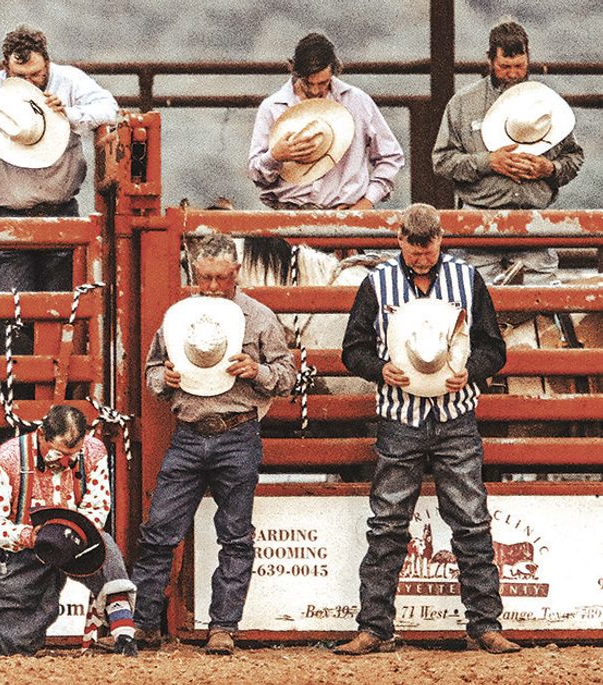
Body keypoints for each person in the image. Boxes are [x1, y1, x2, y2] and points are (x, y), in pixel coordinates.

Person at [335, 203, 520, 655]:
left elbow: (494, 348)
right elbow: (353, 349)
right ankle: (375, 626)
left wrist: (471, 371)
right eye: (414, 250)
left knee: (470, 522)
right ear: (400, 240)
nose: (421, 258)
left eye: (428, 249)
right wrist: (379, 369)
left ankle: (484, 624)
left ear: (439, 239)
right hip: (401, 417)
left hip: (453, 414)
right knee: (388, 524)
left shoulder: (467, 279)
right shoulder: (376, 282)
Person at [131, 233, 296, 654]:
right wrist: (163, 379)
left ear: (235, 272)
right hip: (190, 432)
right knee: (159, 531)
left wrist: (257, 371)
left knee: (235, 535)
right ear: (194, 272)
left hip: (237, 432)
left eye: (221, 278)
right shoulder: (178, 317)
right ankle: (144, 623)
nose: (212, 287)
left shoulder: (259, 317)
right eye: (205, 278)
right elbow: (152, 369)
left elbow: (287, 375)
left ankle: (223, 626)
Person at [0, 24, 118, 293]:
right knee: (16, 313)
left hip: (58, 212)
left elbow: (109, 110)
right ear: (6, 68)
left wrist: (69, 115)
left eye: (36, 74)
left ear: (47, 63)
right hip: (5, 216)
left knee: (59, 312)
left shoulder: (69, 81)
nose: (29, 82)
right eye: (20, 76)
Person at [0, 404, 138, 657]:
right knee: (13, 645)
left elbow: (97, 507)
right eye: (57, 453)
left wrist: (74, 532)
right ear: (41, 434)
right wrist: (28, 536)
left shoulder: (94, 451)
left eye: (73, 455)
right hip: (25, 549)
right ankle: (14, 648)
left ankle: (124, 634)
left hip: (75, 540)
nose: (65, 461)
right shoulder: (8, 458)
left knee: (105, 549)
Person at [432, 20, 584, 284]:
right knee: (476, 298)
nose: (513, 74)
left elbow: (574, 157)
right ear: (490, 60)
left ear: (528, 59)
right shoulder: (463, 104)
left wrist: (549, 168)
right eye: (505, 67)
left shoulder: (549, 103)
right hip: (479, 222)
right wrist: (488, 162)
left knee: (541, 300)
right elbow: (442, 161)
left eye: (519, 66)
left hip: (533, 221)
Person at [248, 32, 404, 210]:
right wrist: (275, 156)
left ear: (334, 71)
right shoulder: (272, 107)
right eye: (308, 83)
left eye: (323, 83)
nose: (315, 91)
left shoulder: (357, 101)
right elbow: (256, 175)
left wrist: (366, 202)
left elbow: (390, 156)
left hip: (346, 212)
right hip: (289, 211)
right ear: (293, 70)